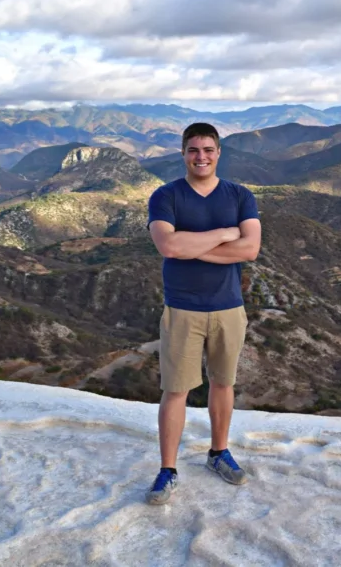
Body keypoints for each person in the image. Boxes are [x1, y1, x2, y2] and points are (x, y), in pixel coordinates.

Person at [144, 122, 261, 505]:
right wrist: (224, 234)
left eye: (208, 150)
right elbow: (168, 245)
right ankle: (167, 470)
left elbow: (249, 251)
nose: (201, 157)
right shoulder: (166, 196)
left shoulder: (240, 195)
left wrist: (190, 246)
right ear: (183, 152)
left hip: (228, 307)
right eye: (194, 150)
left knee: (223, 383)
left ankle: (218, 453)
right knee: (175, 390)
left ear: (219, 152)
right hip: (183, 308)